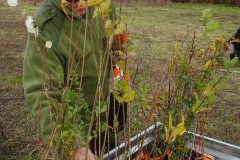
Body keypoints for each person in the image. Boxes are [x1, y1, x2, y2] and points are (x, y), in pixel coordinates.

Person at [23, 0, 129, 159]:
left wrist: (122, 52)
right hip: (76, 124)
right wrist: (73, 146)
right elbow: (42, 95)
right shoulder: (46, 29)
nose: (80, 4)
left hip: (106, 112)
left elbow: (118, 36)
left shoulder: (101, 3)